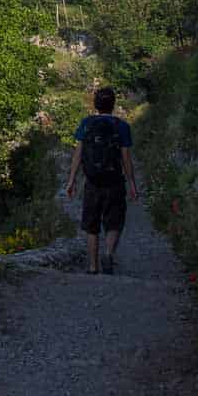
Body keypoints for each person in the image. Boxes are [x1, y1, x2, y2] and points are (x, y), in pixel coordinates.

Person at [65, 86, 139, 275]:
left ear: (95, 104)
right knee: (114, 222)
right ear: (113, 104)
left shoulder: (86, 124)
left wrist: (72, 180)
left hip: (92, 182)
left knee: (92, 224)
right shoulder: (122, 126)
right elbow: (126, 159)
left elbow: (78, 154)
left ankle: (93, 265)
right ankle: (108, 253)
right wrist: (131, 184)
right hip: (114, 181)